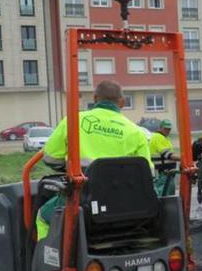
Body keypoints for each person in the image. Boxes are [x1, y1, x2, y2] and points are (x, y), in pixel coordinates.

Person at [37, 81, 151, 240]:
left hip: (82, 199)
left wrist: (68, 165)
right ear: (122, 102)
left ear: (95, 98)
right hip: (123, 204)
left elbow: (50, 158)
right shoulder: (136, 132)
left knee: (42, 216)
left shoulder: (73, 121)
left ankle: (51, 263)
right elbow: (147, 173)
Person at [149, 119, 179, 196]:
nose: (167, 131)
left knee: (164, 194)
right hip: (163, 173)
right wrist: (184, 158)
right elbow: (168, 155)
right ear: (160, 128)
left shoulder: (160, 137)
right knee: (164, 195)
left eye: (169, 129)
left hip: (163, 172)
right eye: (165, 128)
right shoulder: (159, 137)